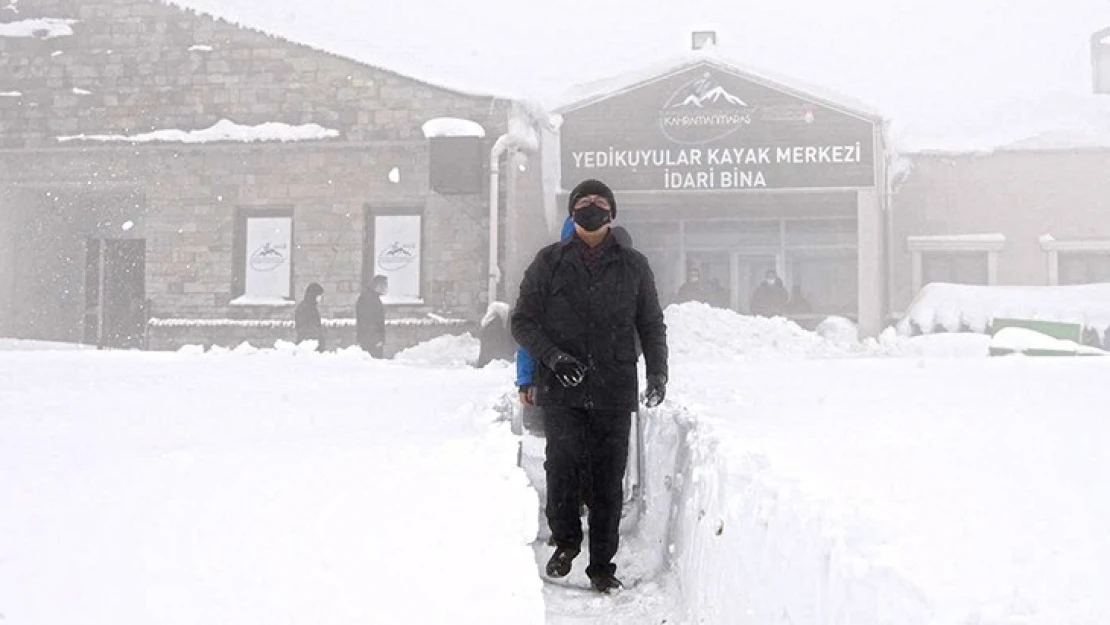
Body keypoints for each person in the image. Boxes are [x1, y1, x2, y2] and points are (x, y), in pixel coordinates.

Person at [512, 179, 668, 594]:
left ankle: (602, 564)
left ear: (612, 213)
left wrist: (657, 372)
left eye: (600, 202)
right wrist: (553, 359)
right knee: (561, 469)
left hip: (614, 389)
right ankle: (565, 543)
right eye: (583, 202)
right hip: (562, 388)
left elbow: (650, 324)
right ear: (572, 213)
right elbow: (523, 321)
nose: (592, 207)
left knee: (607, 479)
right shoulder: (548, 262)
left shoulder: (634, 265)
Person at [356, 275, 387, 357]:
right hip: (371, 341)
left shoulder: (372, 297)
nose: (385, 289)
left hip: (371, 339)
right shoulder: (369, 299)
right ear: (377, 286)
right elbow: (369, 321)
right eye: (384, 285)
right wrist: (377, 339)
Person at [294, 282, 325, 351]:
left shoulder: (311, 307)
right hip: (308, 346)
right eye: (319, 295)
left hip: (313, 344)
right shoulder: (305, 308)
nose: (320, 298)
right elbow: (304, 328)